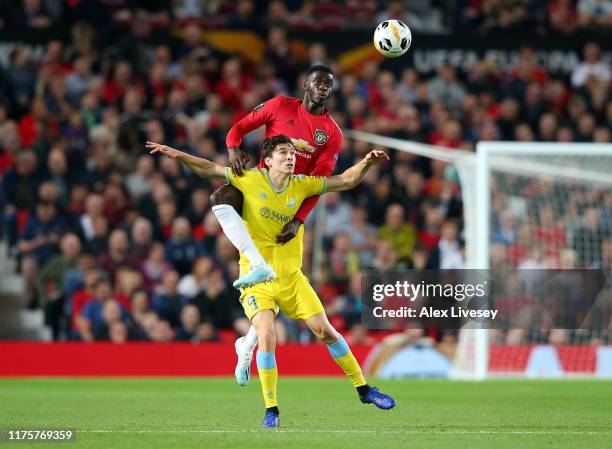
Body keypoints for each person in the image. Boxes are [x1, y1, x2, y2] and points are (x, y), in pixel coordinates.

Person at [146, 136, 395, 428]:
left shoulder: (303, 184)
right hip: (256, 279)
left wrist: (366, 163)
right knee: (267, 336)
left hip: (291, 278)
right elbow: (208, 169)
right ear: (268, 160)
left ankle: (364, 390)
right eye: (283, 153)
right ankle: (271, 410)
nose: (290, 158)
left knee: (326, 332)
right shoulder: (250, 180)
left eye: (291, 153)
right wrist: (177, 153)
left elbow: (346, 181)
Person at [211, 64, 344, 385]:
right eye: (318, 82)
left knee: (280, 279)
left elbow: (319, 184)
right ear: (305, 84)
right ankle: (251, 333)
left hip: (288, 204)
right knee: (221, 195)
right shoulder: (279, 106)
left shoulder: (332, 134)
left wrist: (299, 220)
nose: (323, 88)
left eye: (329, 84)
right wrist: (233, 151)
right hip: (259, 192)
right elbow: (238, 129)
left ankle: (248, 343)